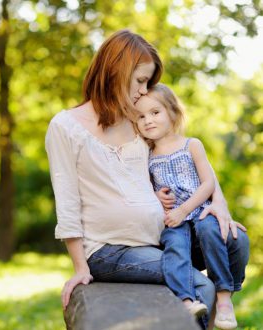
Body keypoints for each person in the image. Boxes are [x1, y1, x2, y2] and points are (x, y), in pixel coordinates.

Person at [45, 29, 249, 330]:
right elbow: (67, 203)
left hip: (162, 236)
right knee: (200, 287)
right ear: (117, 70)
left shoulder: (136, 120)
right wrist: (79, 267)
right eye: (140, 80)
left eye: (148, 83)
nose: (144, 91)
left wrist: (219, 203)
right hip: (109, 249)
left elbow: (188, 157)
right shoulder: (65, 127)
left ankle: (218, 299)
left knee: (234, 241)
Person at [135, 83, 245, 329]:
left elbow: (208, 184)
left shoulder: (191, 144)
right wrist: (156, 195)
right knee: (174, 247)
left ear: (172, 112)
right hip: (173, 219)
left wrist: (185, 210)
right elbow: (145, 189)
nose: (147, 120)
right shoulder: (147, 154)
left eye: (155, 112)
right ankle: (186, 300)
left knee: (211, 232)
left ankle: (224, 296)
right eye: (140, 116)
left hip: (201, 211)